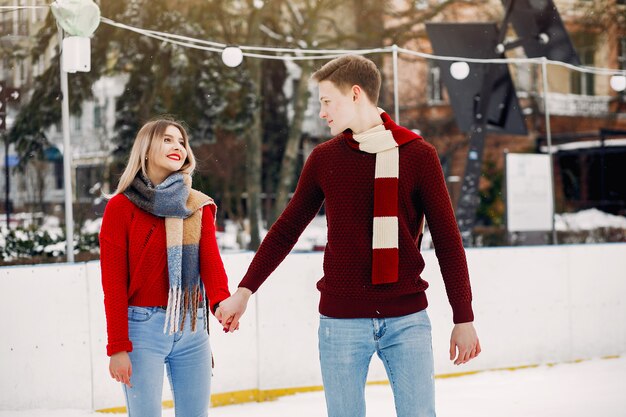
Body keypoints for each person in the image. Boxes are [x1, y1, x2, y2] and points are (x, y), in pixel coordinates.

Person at [217, 55, 481, 417]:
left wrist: (462, 316)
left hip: (407, 319)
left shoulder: (419, 156)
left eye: (327, 101)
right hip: (340, 322)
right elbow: (286, 231)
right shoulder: (324, 159)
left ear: (355, 94)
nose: (322, 112)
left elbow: (449, 242)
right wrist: (244, 292)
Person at [99, 118, 232, 417]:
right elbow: (114, 284)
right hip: (143, 329)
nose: (178, 147)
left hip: (191, 325)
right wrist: (117, 346)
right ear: (146, 149)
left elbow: (211, 264)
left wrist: (222, 303)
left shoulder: (197, 205)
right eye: (167, 140)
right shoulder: (121, 208)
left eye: (181, 142)